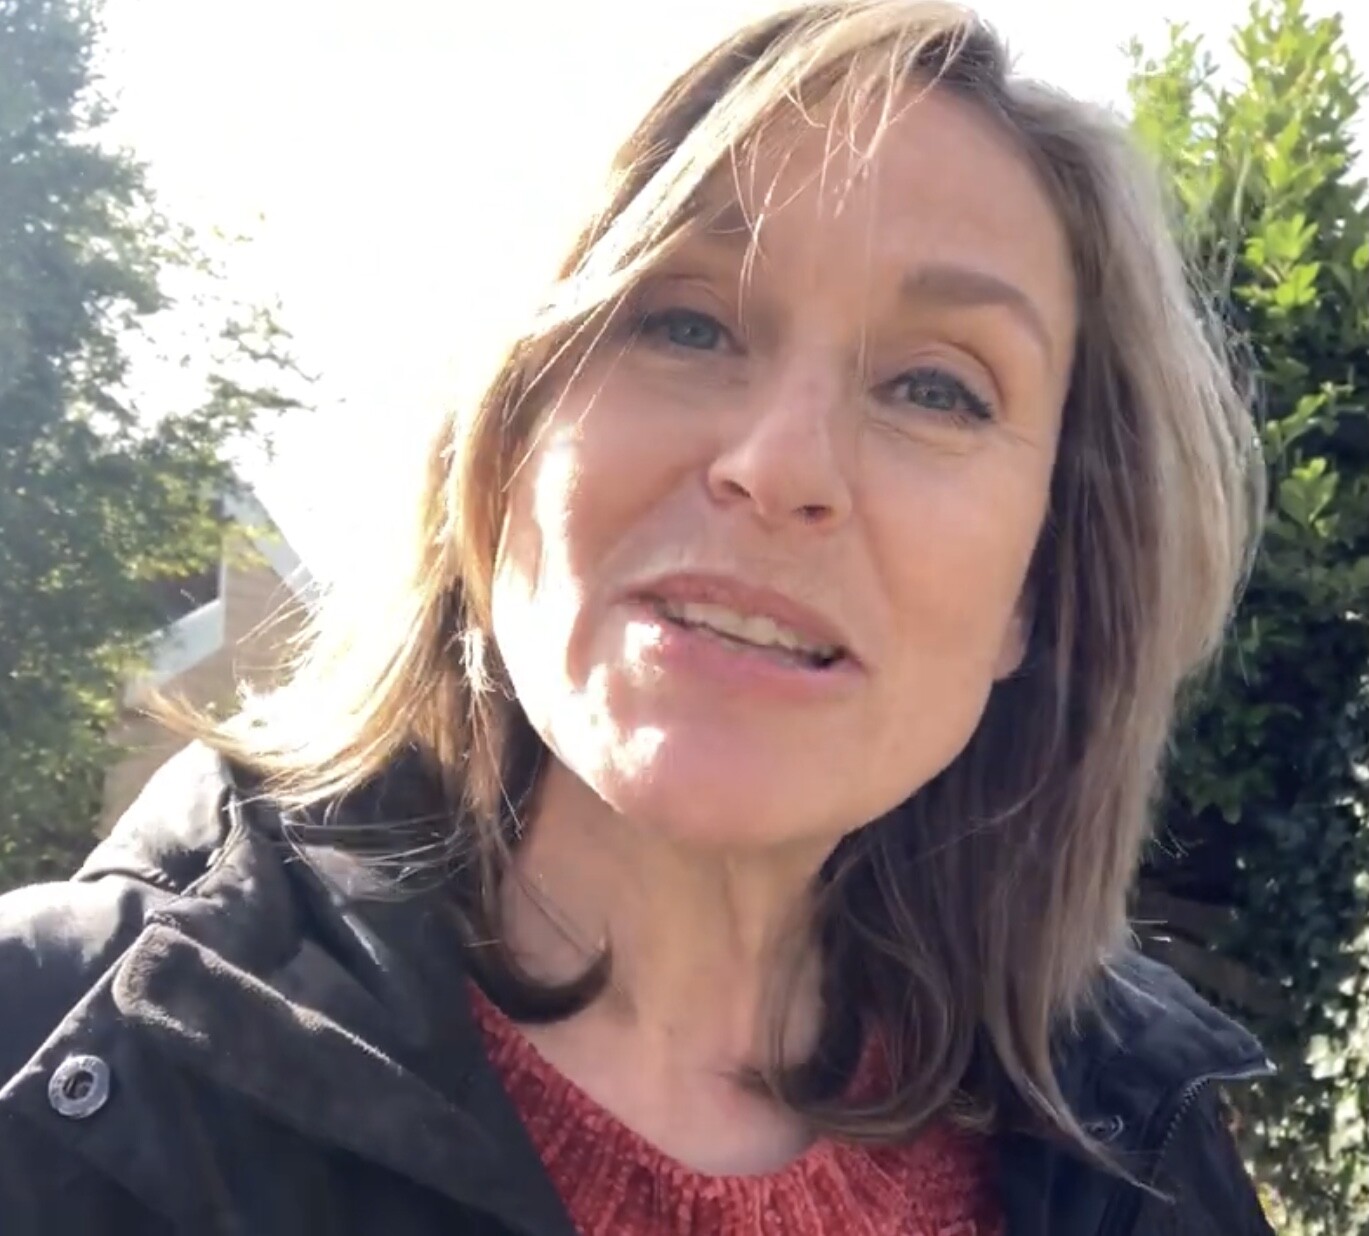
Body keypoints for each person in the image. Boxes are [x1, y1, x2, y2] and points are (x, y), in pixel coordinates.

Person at [0, 2, 1279, 1233]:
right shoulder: (49, 1060)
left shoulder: (1141, 1152)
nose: (780, 465)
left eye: (936, 390)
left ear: (1041, 585)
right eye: (684, 322)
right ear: (497, 443)